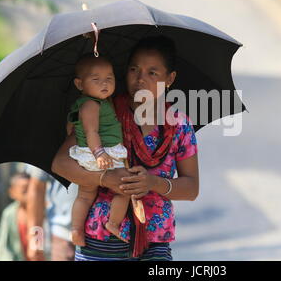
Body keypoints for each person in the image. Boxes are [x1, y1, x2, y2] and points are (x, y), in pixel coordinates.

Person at [51, 35, 199, 261]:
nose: (140, 79)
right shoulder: (104, 114)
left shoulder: (180, 125)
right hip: (101, 239)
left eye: (152, 73)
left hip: (154, 240)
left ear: (170, 78)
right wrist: (105, 178)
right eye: (133, 69)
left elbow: (191, 188)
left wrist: (153, 183)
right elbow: (60, 163)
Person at [67, 55, 130, 245]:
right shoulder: (91, 105)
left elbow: (70, 128)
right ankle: (113, 223)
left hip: (92, 154)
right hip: (102, 154)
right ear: (79, 84)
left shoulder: (88, 103)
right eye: (96, 80)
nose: (104, 83)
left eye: (109, 78)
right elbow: (91, 131)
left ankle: (76, 230)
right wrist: (99, 153)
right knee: (125, 190)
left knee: (85, 195)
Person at [25, 164, 77, 261]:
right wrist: (36, 240)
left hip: (103, 235)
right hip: (63, 235)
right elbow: (37, 188)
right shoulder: (43, 149)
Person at [0, 172, 30, 261]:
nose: (29, 194)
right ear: (12, 192)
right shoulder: (9, 214)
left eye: (31, 190)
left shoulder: (42, 212)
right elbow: (2, 244)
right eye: (24, 191)